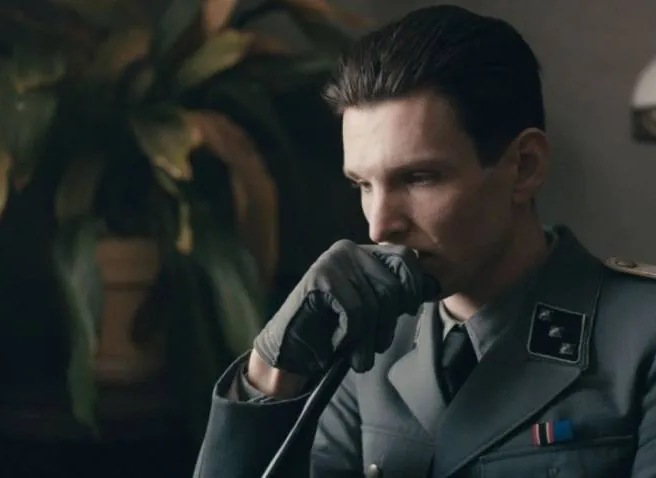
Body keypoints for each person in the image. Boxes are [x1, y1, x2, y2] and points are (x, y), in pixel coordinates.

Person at [193, 5, 656, 477]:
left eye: (418, 178)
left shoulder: (642, 335)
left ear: (525, 167)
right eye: (363, 185)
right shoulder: (373, 341)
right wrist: (269, 375)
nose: (379, 228)